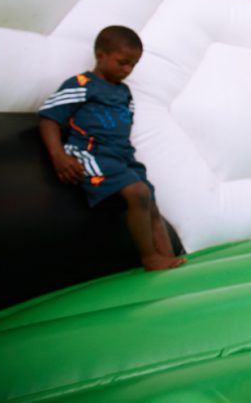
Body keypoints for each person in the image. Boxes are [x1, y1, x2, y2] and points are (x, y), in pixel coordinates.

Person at [39, 25, 185, 271]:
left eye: (133, 65)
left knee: (150, 201)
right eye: (122, 63)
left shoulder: (123, 92)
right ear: (101, 55)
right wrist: (58, 156)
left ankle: (169, 257)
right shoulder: (81, 84)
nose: (127, 70)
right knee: (137, 192)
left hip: (122, 156)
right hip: (91, 153)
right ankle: (150, 258)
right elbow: (49, 117)